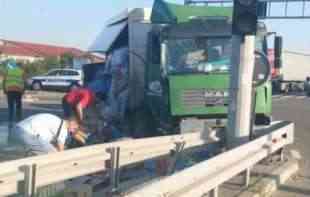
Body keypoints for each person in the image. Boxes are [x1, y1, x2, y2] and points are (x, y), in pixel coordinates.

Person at [12, 113, 87, 155]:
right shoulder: (63, 128)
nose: (73, 131)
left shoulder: (56, 120)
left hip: (18, 128)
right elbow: (60, 151)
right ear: (72, 122)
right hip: (27, 132)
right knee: (53, 153)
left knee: (44, 147)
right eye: (74, 129)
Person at [2, 59, 25, 129]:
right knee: (18, 107)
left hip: (9, 91)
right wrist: (23, 90)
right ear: (20, 66)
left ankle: (10, 123)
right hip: (18, 91)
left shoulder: (8, 71)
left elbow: (4, 81)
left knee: (10, 107)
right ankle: (19, 122)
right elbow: (24, 82)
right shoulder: (22, 72)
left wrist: (4, 89)